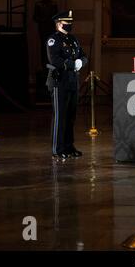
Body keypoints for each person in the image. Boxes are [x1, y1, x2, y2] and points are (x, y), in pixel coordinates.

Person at [46, 10, 88, 161]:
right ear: (58, 24)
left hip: (72, 81)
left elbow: (83, 55)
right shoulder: (53, 40)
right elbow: (55, 60)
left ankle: (69, 146)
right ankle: (58, 149)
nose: (69, 25)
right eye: (66, 23)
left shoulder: (73, 39)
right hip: (59, 81)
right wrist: (72, 64)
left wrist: (81, 62)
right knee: (60, 116)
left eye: (70, 23)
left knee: (71, 116)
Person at [34, 0, 58, 70]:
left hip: (51, 29)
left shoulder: (53, 4)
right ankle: (44, 65)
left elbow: (56, 17)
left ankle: (50, 64)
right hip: (43, 29)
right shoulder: (38, 5)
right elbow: (35, 17)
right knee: (43, 47)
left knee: (51, 47)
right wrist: (43, 19)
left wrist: (51, 20)